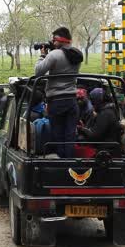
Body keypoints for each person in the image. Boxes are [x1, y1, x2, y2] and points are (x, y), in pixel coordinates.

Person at [34, 26, 84, 158]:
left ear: (59, 40)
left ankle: (62, 164)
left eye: (53, 40)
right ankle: (70, 162)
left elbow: (38, 71)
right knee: (70, 135)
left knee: (58, 134)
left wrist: (43, 55)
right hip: (72, 101)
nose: (52, 43)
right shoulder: (77, 54)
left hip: (56, 101)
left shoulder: (54, 55)